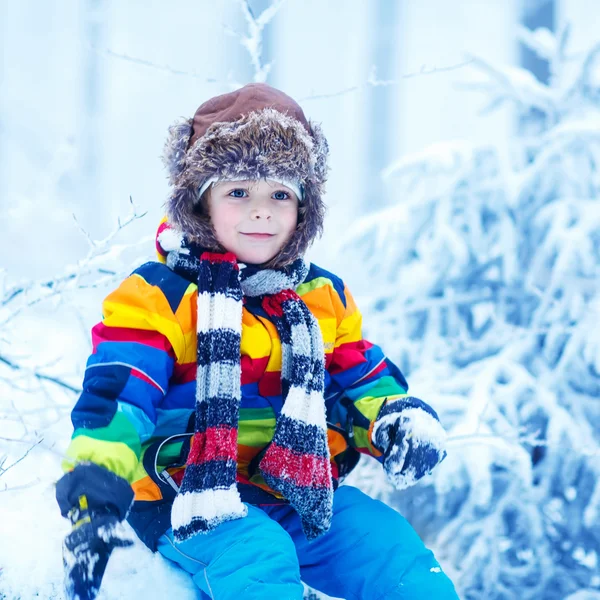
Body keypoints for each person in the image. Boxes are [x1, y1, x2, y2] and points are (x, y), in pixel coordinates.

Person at [56, 83, 459, 600]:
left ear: (303, 210)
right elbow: (120, 392)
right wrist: (94, 486)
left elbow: (360, 379)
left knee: (392, 551)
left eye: (281, 194)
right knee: (259, 556)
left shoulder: (319, 295)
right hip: (185, 494)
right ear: (200, 205)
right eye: (239, 192)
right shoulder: (162, 295)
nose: (262, 211)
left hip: (297, 490)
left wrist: (393, 421)